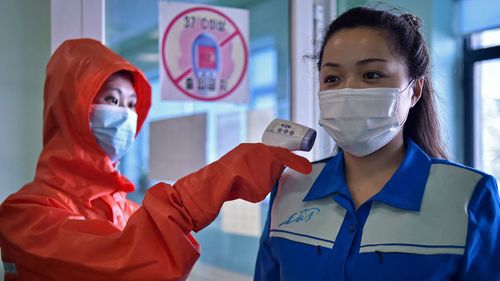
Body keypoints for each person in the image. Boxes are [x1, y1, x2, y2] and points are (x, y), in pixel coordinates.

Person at [0, 38, 312, 281]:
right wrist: (216, 181)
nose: (125, 115)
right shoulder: (24, 218)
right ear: (69, 108)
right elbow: (131, 264)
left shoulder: (127, 210)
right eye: (111, 99)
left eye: (132, 104)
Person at [254, 7, 500, 281]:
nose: (348, 92)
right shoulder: (291, 188)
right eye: (332, 79)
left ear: (414, 91)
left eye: (371, 75)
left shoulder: (468, 195)